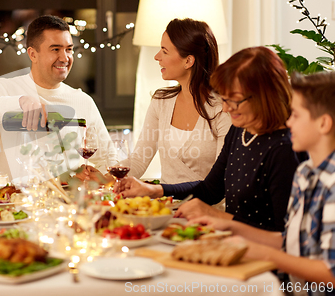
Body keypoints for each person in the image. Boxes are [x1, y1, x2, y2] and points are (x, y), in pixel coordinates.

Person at [116, 46, 302, 231]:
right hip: (235, 242)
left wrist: (219, 216)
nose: (226, 109)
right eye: (224, 98)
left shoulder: (284, 149)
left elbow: (284, 235)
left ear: (265, 96)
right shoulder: (241, 132)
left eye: (234, 99)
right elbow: (210, 190)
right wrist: (155, 190)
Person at [192, 72, 335, 293]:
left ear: (323, 123)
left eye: (295, 115)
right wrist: (232, 227)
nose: (288, 122)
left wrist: (265, 254)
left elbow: (331, 274)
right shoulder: (305, 173)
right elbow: (292, 241)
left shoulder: (332, 185)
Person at [0, 15, 114, 180]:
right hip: (13, 200)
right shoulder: (7, 88)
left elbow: (108, 158)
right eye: (55, 49)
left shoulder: (83, 101)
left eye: (69, 49)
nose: (65, 58)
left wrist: (100, 178)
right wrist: (20, 102)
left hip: (67, 198)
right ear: (32, 54)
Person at [127, 18, 231, 184]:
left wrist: (159, 190)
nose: (156, 57)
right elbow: (139, 159)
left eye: (164, 51)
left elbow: (220, 181)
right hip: (166, 206)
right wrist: (105, 178)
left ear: (188, 61)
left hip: (205, 208)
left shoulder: (222, 109)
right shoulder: (161, 101)